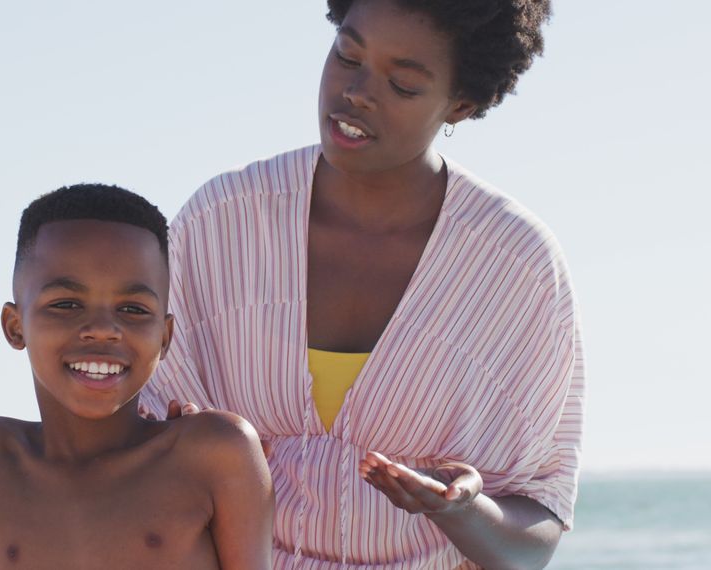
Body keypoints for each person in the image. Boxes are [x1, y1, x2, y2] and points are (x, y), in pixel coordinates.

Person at [139, 0, 583, 568]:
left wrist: (459, 510)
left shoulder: (516, 268)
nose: (357, 92)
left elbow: (534, 537)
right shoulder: (220, 221)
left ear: (461, 104)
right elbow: (132, 440)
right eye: (347, 56)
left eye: (401, 85)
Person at [0, 184, 273, 569]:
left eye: (132, 308)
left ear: (164, 337)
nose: (102, 328)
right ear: (15, 326)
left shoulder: (215, 453)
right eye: (66, 304)